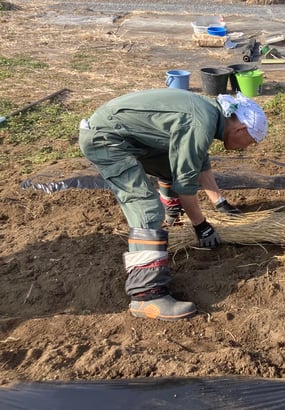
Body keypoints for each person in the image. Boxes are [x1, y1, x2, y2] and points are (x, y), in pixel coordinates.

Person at [79, 89, 268, 321]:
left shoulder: (209, 114)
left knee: (176, 162)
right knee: (147, 208)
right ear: (241, 129)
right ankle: (146, 296)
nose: (245, 148)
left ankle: (172, 212)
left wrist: (220, 203)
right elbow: (186, 183)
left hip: (122, 133)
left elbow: (198, 161)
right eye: (250, 142)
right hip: (106, 139)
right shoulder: (201, 122)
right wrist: (201, 225)